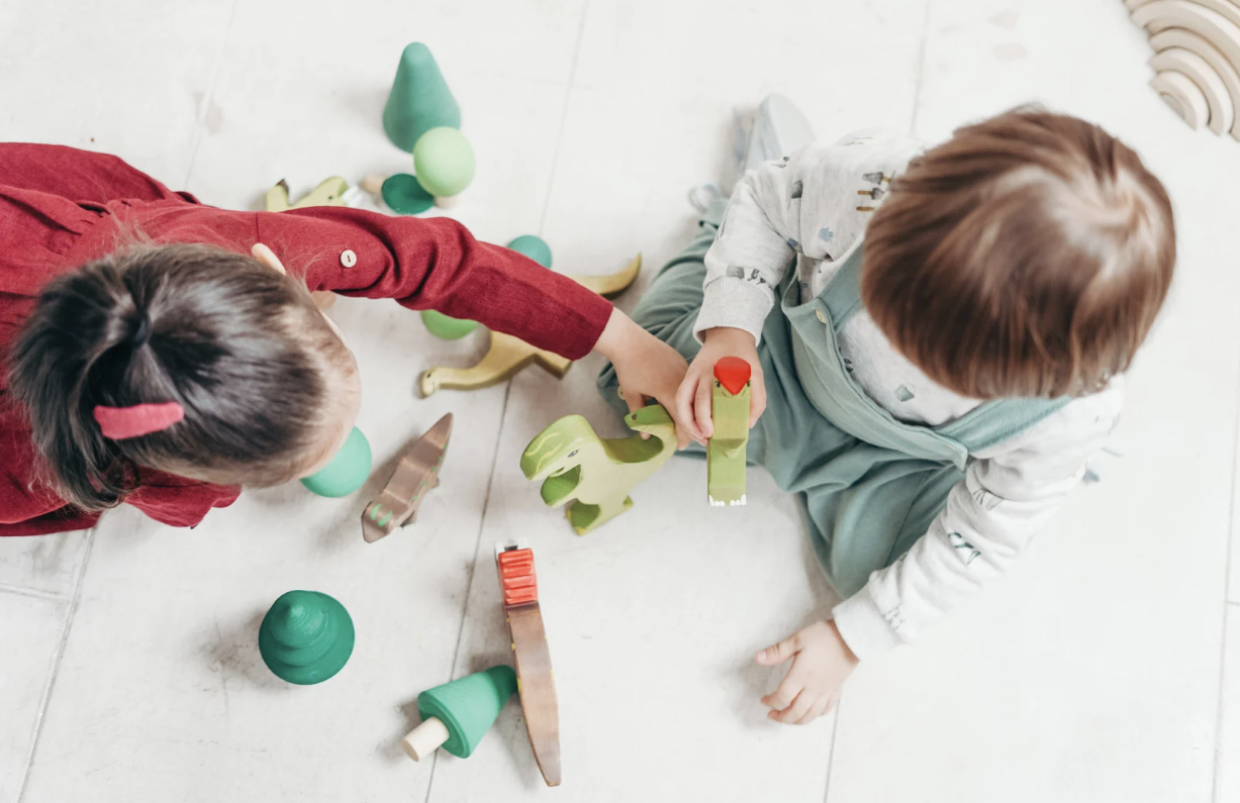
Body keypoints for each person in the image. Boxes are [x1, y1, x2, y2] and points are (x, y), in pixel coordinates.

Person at [598, 98, 1175, 725]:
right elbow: (766, 202)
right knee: (633, 386)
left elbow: (982, 538)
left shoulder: (1071, 415)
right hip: (784, 362)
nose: (904, 353)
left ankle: (1000, 482)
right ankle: (735, 212)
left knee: (882, 584)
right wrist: (730, 335)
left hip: (899, 460)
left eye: (939, 367)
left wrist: (850, 639)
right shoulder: (870, 185)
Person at [1, 144, 688, 535]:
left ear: (272, 267)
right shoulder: (44, 471)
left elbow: (434, 259)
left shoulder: (229, 241)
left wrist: (620, 339)